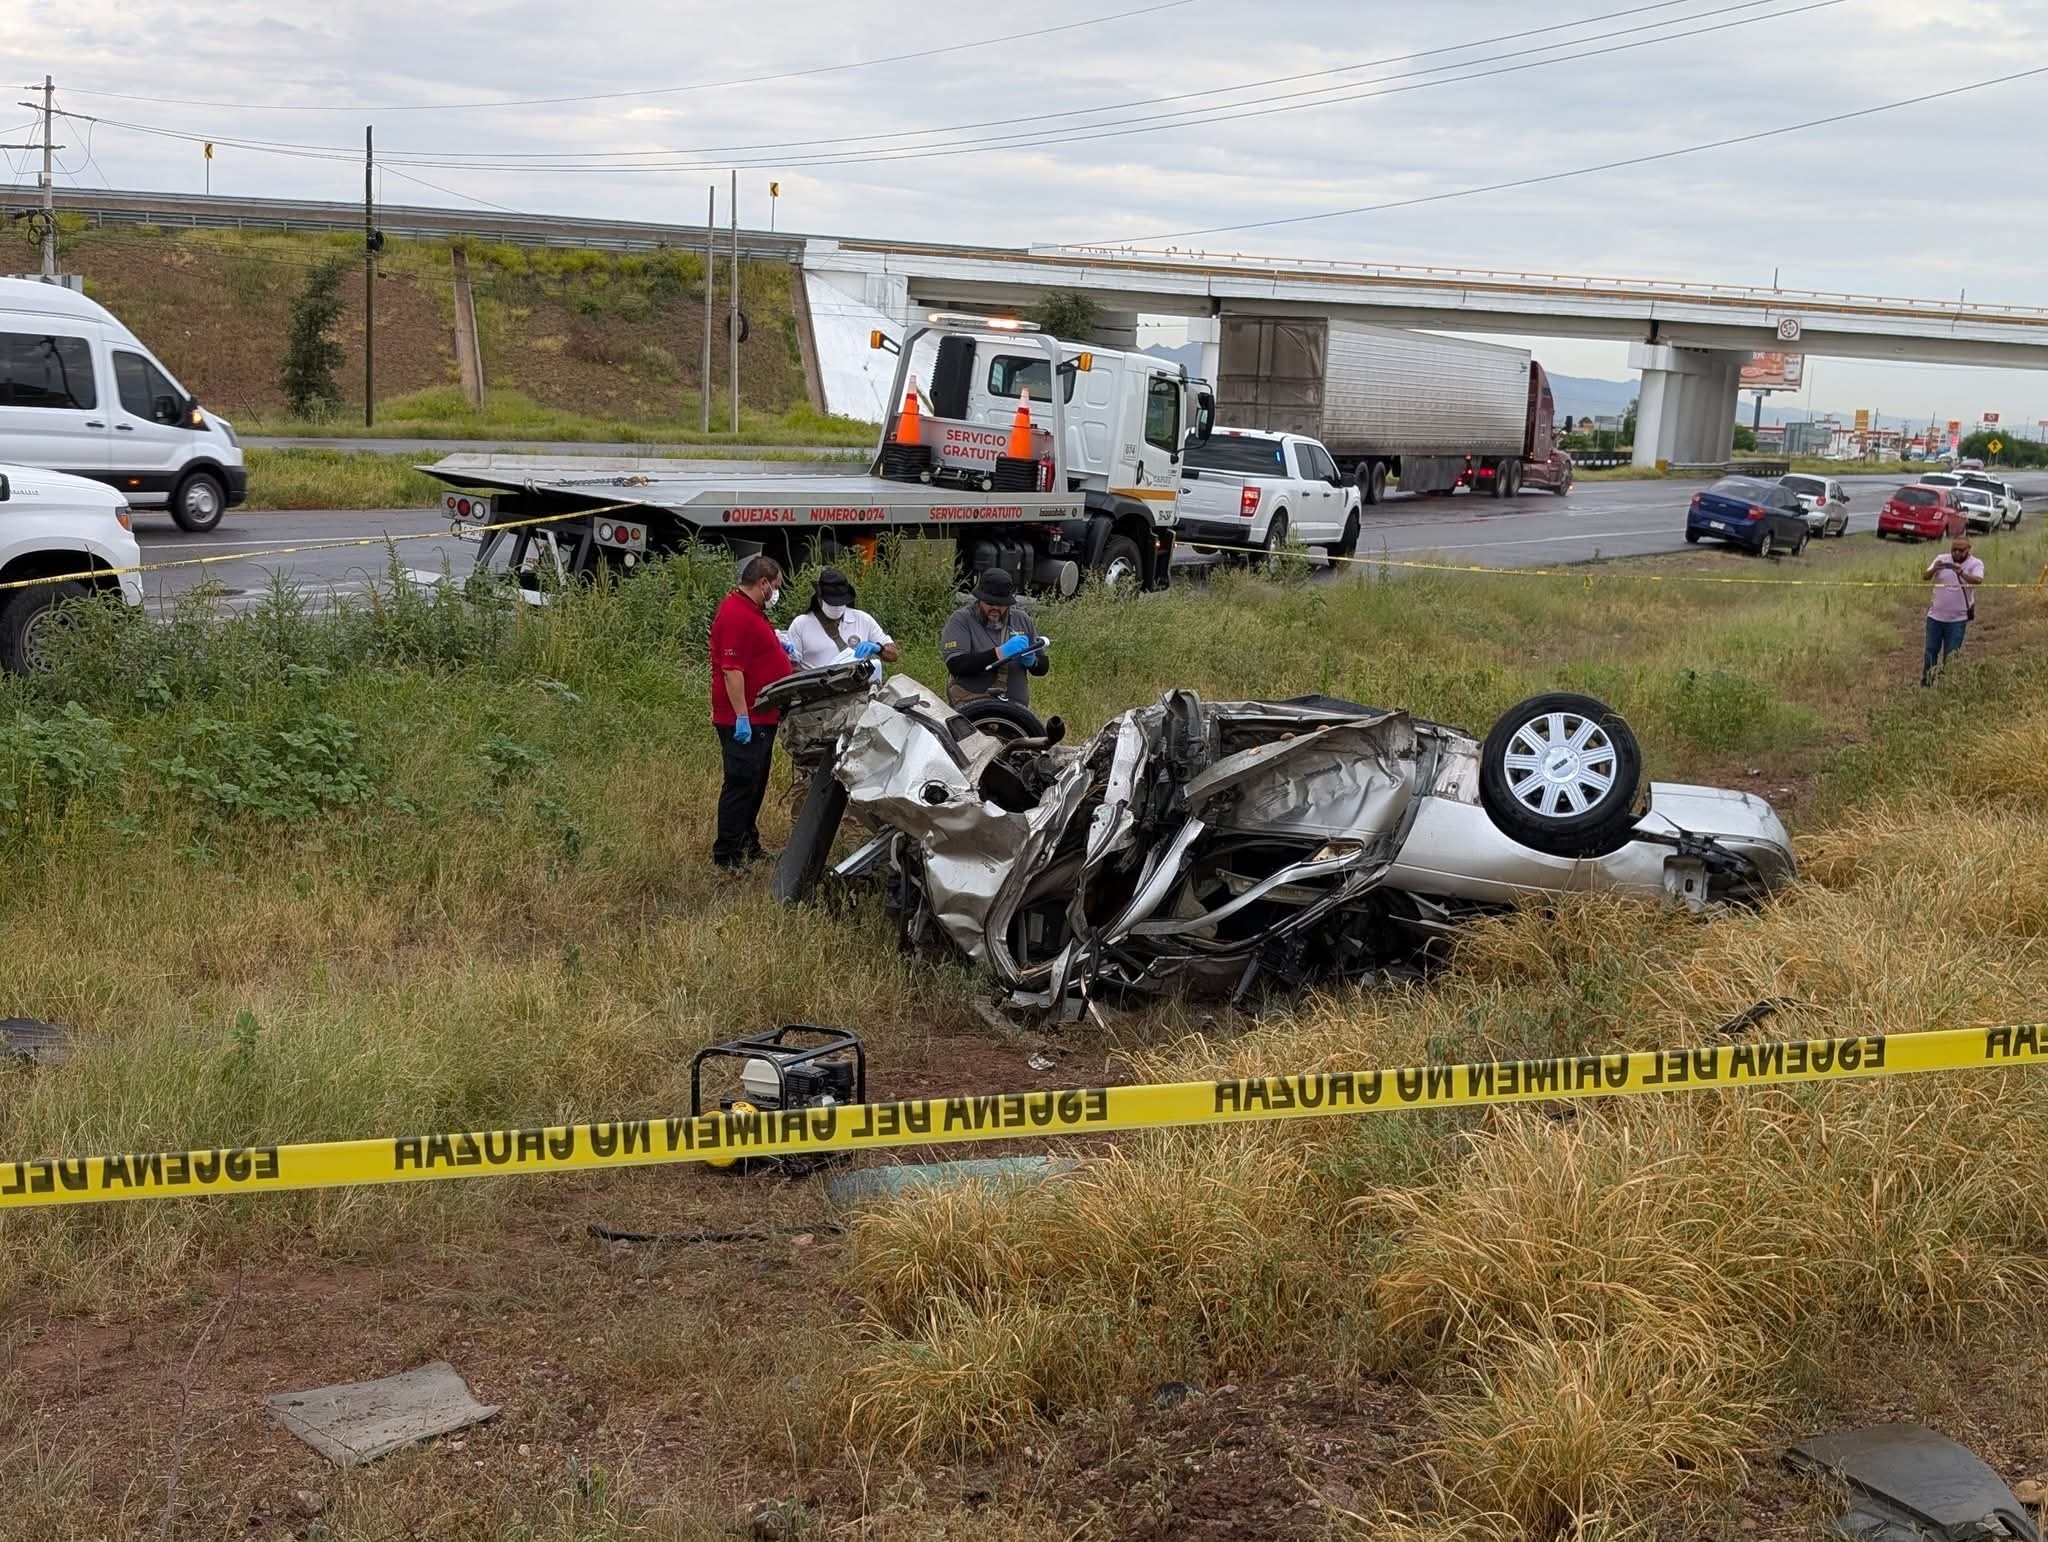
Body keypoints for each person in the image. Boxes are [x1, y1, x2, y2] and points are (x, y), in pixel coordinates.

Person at [710, 554, 793, 871]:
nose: (777, 592)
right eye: (776, 586)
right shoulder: (735, 614)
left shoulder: (751, 611)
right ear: (762, 583)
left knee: (756, 782)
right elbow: (732, 670)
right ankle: (726, 854)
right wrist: (742, 716)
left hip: (763, 715)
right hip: (743, 718)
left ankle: (748, 841)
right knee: (741, 783)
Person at [940, 567, 1048, 709]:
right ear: (980, 599)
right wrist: (999, 653)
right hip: (974, 710)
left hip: (1015, 714)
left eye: (1001, 604)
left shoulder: (1021, 619)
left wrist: (1032, 661)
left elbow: (1043, 668)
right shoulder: (962, 620)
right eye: (990, 603)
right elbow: (956, 665)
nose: (995, 608)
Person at [786, 567, 899, 670]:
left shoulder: (863, 619)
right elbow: (791, 667)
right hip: (816, 689)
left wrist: (879, 649)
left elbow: (893, 654)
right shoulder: (801, 624)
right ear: (819, 598)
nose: (836, 607)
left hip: (857, 687)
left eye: (840, 602)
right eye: (832, 603)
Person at [1922, 531, 1983, 687]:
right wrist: (1934, 569)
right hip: (1935, 617)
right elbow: (1925, 576)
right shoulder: (1941, 559)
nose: (1956, 553)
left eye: (1960, 550)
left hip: (1957, 619)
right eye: (1953, 549)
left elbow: (1978, 580)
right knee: (1930, 653)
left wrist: (1961, 572)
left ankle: (1946, 687)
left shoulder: (1976, 563)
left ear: (1968, 549)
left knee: (1951, 657)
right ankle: (1926, 685)